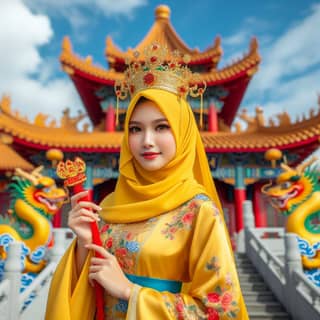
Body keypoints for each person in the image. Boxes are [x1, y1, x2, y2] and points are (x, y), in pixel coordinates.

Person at [45, 44, 248, 319]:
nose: (146, 141)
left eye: (162, 127)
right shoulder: (109, 206)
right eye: (135, 129)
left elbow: (220, 310)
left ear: (184, 133)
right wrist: (83, 243)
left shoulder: (199, 212)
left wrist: (131, 292)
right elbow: (87, 292)